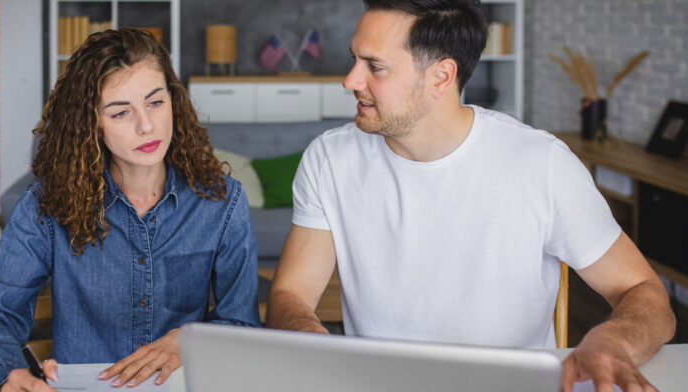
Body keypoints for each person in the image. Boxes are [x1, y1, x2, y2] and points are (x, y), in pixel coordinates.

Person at [266, 1, 676, 391]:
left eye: (375, 67)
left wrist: (613, 341)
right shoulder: (330, 158)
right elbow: (290, 295)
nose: (350, 80)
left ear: (442, 77)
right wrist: (312, 344)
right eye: (355, 59)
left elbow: (643, 291)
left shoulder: (542, 164)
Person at [0, 28, 260, 392]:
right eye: (120, 113)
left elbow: (242, 324)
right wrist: (8, 373)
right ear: (91, 125)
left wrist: (190, 338)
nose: (146, 126)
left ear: (174, 101)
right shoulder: (45, 205)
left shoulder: (223, 202)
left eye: (155, 102)